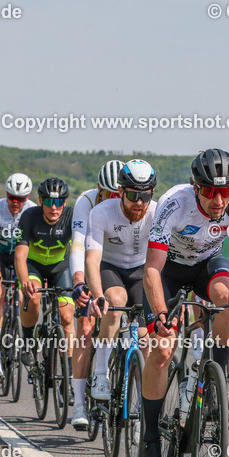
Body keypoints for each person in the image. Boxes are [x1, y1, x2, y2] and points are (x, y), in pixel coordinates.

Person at [140, 149, 229, 457]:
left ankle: (215, 381)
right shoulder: (174, 203)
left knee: (228, 299)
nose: (218, 200)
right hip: (169, 270)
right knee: (163, 350)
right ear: (196, 187)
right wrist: (161, 314)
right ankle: (150, 436)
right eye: (210, 191)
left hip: (206, 266)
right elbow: (152, 269)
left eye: (225, 191)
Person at [86, 159, 158, 402]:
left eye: (145, 196)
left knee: (145, 334)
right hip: (110, 267)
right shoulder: (102, 212)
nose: (139, 203)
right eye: (133, 195)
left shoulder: (157, 212)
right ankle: (101, 373)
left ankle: (141, 399)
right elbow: (92, 260)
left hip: (140, 270)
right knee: (115, 303)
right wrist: (98, 296)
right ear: (120, 192)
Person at [67, 160, 123, 429]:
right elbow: (78, 244)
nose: (113, 200)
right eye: (108, 194)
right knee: (86, 328)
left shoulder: (131, 203)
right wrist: (79, 281)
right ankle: (79, 404)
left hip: (119, 267)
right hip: (92, 263)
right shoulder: (86, 201)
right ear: (99, 189)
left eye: (118, 194)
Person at [14, 177, 75, 370]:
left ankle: (68, 371)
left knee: (67, 317)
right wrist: (24, 280)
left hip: (60, 267)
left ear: (65, 202)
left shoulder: (72, 216)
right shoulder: (29, 216)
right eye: (48, 202)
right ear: (40, 201)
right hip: (34, 266)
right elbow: (20, 254)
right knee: (32, 297)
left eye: (58, 202)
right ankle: (28, 343)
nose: (54, 207)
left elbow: (81, 249)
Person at [0, 173, 36, 378]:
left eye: (20, 199)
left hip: (22, 258)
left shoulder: (33, 210)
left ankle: (25, 341)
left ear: (27, 197)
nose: (16, 202)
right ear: (6, 194)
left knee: (26, 296)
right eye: (11, 197)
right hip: (1, 257)